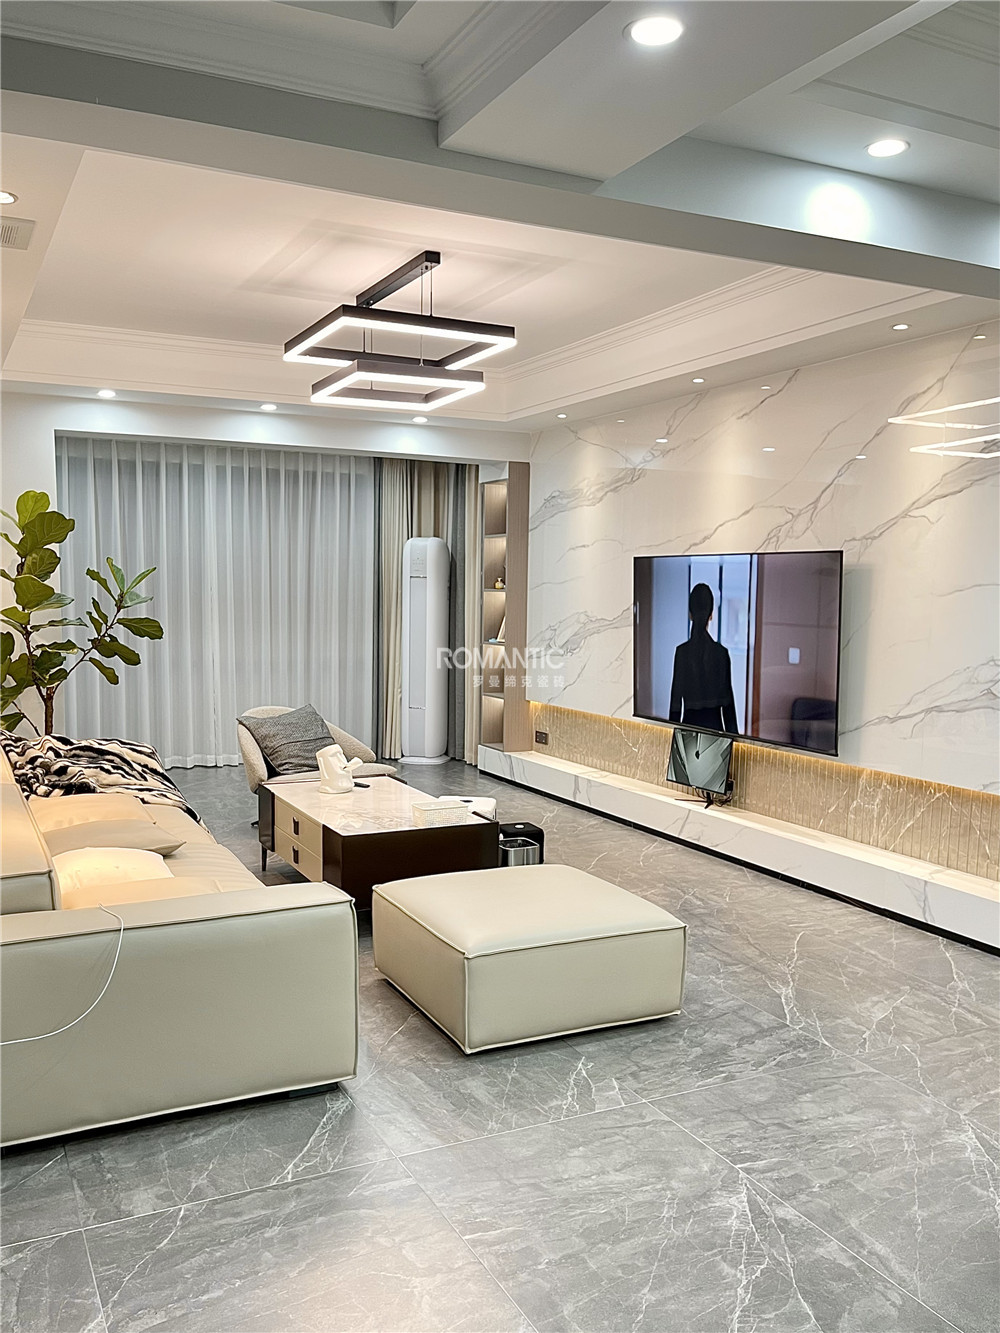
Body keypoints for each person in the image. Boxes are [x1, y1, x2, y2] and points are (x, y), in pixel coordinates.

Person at [668, 583, 739, 734]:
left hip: (688, 733)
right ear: (711, 614)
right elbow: (728, 710)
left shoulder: (682, 653)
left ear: (690, 614)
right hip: (716, 734)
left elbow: (675, 707)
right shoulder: (721, 654)